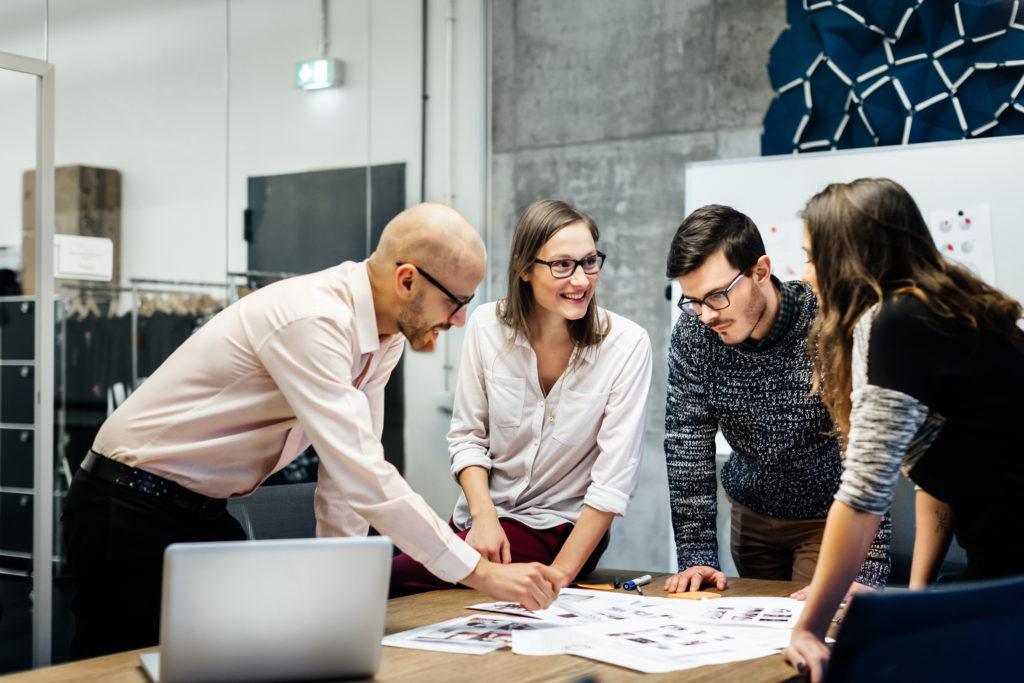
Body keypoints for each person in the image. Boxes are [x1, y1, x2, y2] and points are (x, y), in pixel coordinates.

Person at [60, 203, 562, 659]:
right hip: (125, 503)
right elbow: (364, 473)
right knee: (116, 668)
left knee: (235, 661)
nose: (459, 321)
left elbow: (345, 481)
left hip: (200, 511)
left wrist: (337, 594)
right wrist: (481, 573)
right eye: (455, 302)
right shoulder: (315, 320)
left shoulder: (384, 340)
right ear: (406, 280)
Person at [785, 178, 1024, 680]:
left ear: (847, 256)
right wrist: (920, 597)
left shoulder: (896, 321)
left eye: (812, 256)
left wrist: (809, 627)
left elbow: (862, 496)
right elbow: (943, 470)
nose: (806, 275)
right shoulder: (952, 307)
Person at [390, 199, 653, 595]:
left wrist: (561, 575)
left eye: (590, 261)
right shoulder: (485, 327)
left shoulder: (627, 344)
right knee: (394, 568)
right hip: (481, 522)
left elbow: (613, 481)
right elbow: (467, 437)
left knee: (388, 576)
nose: (581, 280)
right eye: (562, 265)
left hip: (560, 530)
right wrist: (483, 518)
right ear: (525, 268)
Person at [662, 204, 890, 596]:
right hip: (750, 515)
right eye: (693, 300)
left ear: (760, 271)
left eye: (716, 296)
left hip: (828, 516)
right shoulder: (694, 334)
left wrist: (867, 571)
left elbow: (865, 449)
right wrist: (697, 553)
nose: (705, 316)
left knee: (815, 629)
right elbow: (687, 442)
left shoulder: (827, 325)